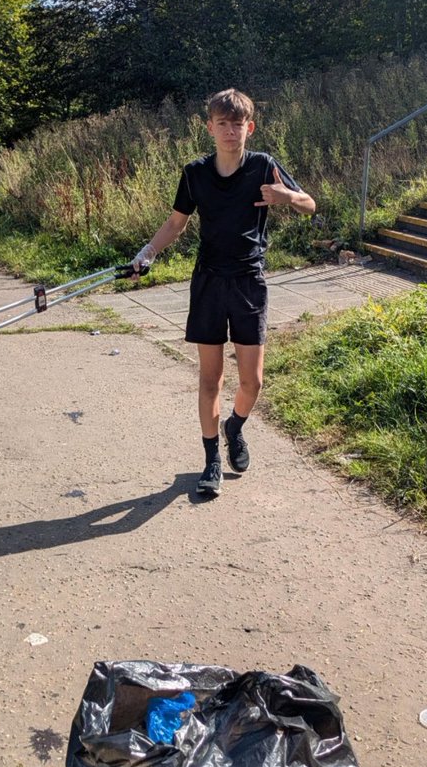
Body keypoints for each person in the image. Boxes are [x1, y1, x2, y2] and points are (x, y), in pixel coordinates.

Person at [132, 88, 316, 496]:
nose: (230, 131)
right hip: (210, 283)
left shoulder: (264, 166)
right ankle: (212, 458)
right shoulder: (194, 173)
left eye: (238, 124)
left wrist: (286, 197)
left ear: (249, 127)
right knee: (210, 378)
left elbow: (310, 204)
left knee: (253, 382)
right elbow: (175, 224)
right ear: (209, 127)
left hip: (249, 281)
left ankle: (235, 426)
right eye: (222, 123)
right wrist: (146, 255)